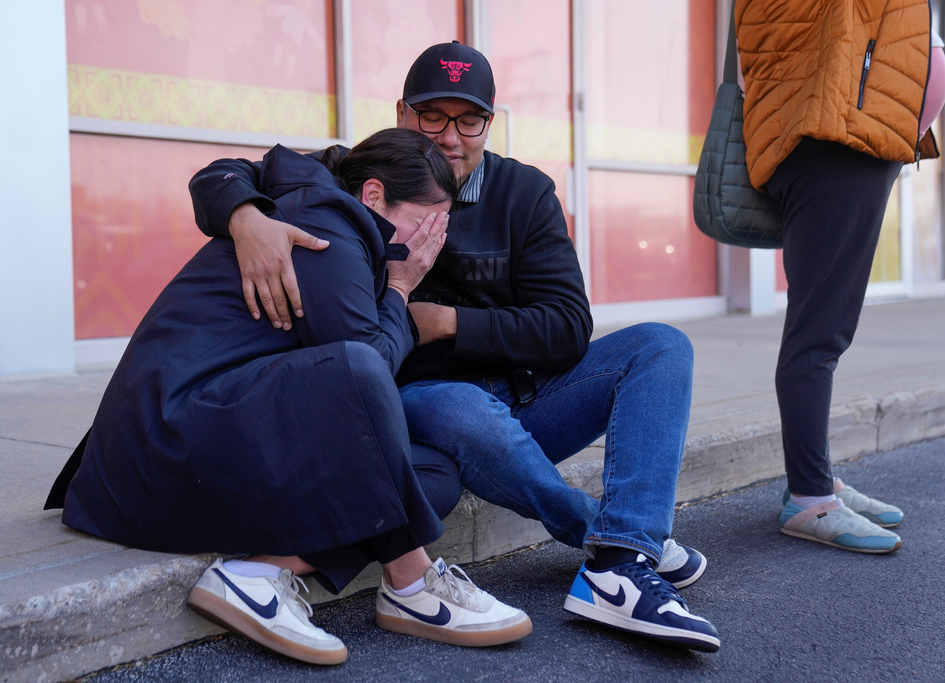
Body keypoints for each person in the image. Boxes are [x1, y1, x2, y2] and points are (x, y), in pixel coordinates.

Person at [189, 42, 720, 652]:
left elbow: (569, 328)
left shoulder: (525, 193)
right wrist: (245, 217)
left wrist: (442, 321)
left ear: (489, 123)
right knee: (458, 413)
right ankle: (615, 542)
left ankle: (620, 561)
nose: (450, 136)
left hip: (527, 401)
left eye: (469, 119)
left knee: (660, 346)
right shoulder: (365, 172)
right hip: (421, 403)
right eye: (431, 115)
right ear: (400, 111)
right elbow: (222, 174)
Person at [44, 129, 533, 666]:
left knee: (429, 475)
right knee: (360, 369)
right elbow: (366, 362)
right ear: (373, 196)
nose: (429, 242)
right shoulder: (329, 226)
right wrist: (400, 287)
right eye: (424, 222)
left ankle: (256, 574)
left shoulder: (338, 215)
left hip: (223, 424)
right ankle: (411, 581)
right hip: (168, 441)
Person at [736, 0, 944, 553]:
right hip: (835, 140)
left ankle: (817, 482)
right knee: (819, 331)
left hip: (855, 136)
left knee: (824, 328)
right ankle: (808, 500)